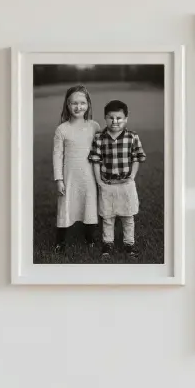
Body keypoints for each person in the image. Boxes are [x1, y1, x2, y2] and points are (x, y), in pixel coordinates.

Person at [88, 99, 146, 259]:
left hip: (126, 184)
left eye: (119, 118)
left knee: (128, 216)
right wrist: (99, 181)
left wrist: (132, 177)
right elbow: (95, 160)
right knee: (107, 217)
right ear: (105, 118)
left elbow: (137, 157)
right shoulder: (99, 137)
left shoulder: (132, 137)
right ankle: (108, 243)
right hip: (107, 184)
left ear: (126, 119)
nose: (115, 121)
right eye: (111, 118)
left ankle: (129, 244)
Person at [52, 84, 100, 251]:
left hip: (89, 175)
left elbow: (101, 151)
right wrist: (59, 179)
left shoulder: (94, 126)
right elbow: (57, 155)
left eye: (82, 103)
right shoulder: (62, 129)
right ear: (67, 104)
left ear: (88, 104)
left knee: (89, 204)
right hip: (69, 176)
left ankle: (90, 238)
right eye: (74, 103)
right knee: (66, 206)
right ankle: (60, 241)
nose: (78, 107)